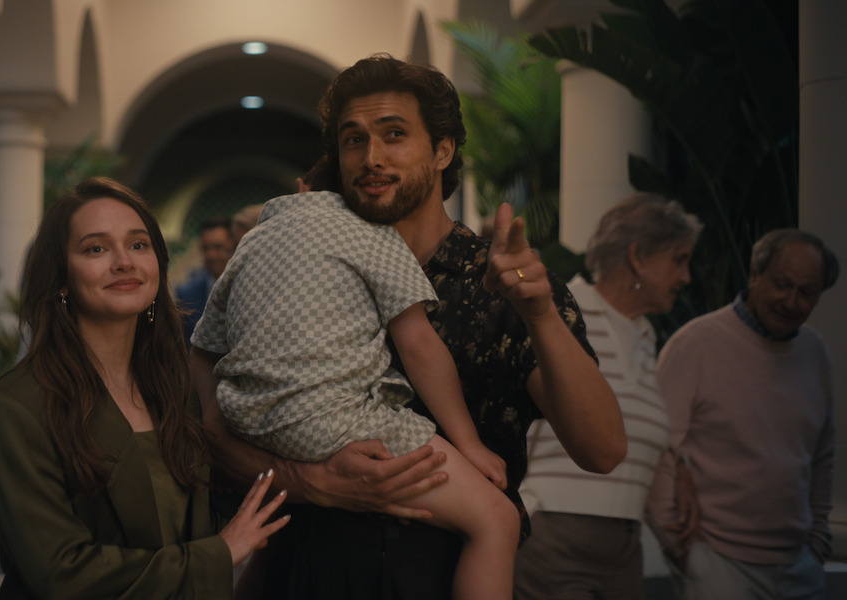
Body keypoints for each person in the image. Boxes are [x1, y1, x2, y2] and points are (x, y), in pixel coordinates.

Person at [190, 54, 626, 599]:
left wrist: (538, 313)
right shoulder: (294, 266)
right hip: (303, 572)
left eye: (394, 134)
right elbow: (212, 428)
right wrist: (310, 482)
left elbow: (602, 450)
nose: (371, 157)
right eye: (353, 140)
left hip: (435, 578)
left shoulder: (494, 281)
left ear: (443, 150)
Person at [191, 184, 519, 598]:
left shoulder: (253, 242)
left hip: (251, 422)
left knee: (276, 550)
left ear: (301, 189)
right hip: (338, 420)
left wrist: (216, 418)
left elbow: (202, 352)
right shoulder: (368, 228)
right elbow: (417, 343)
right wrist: (469, 443)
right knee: (497, 522)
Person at [0, 177, 289, 600]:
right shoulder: (16, 407)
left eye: (138, 245)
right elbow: (60, 575)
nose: (124, 261)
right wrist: (218, 554)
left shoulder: (174, 387)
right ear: (62, 277)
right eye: (96, 248)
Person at [515, 193, 703, 599]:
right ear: (637, 257)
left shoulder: (646, 336)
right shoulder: (562, 311)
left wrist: (678, 463)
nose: (687, 276)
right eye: (679, 259)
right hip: (553, 537)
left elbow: (635, 431)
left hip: (624, 545)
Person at [646, 229, 838, 600]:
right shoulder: (695, 343)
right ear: (754, 275)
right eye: (782, 284)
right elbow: (657, 449)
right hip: (718, 565)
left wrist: (817, 545)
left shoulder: (816, 353)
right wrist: (684, 553)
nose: (792, 302)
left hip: (800, 565)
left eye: (806, 292)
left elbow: (822, 457)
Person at [175, 216, 234, 342]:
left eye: (218, 247)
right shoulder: (187, 295)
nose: (210, 255)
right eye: (205, 248)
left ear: (234, 247)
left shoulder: (248, 288)